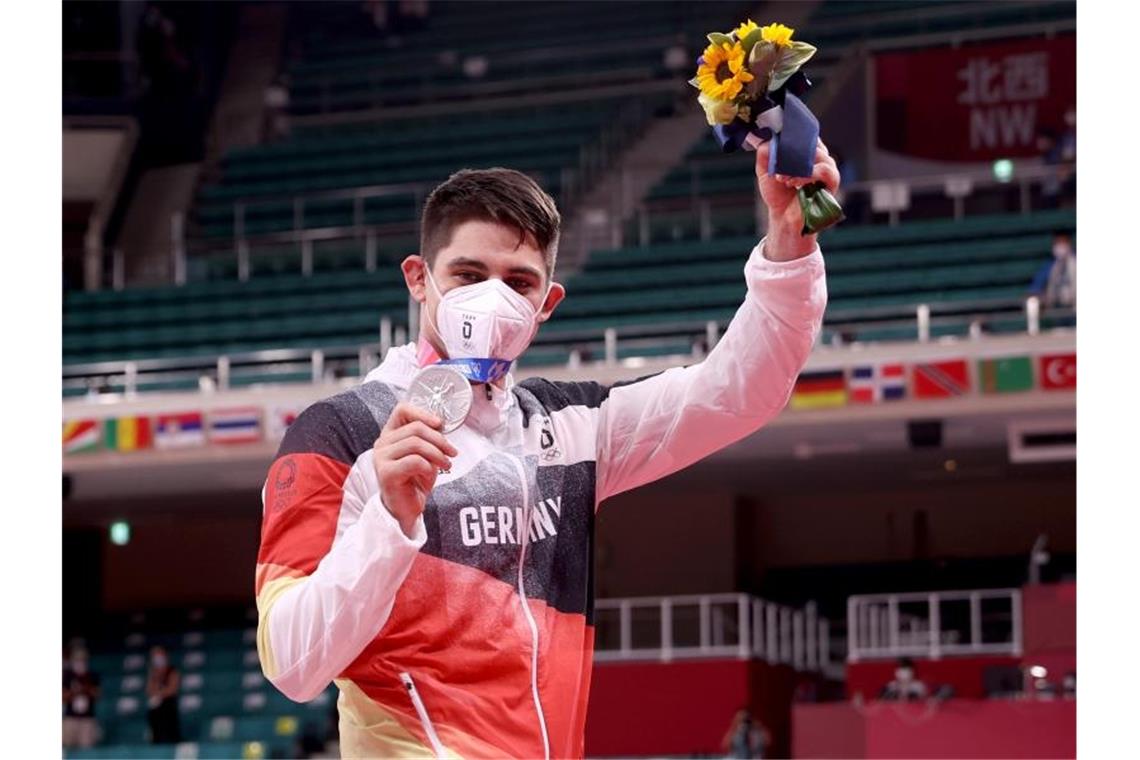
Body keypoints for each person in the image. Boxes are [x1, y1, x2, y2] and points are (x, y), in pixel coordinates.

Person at [254, 140, 837, 757]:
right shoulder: (337, 434)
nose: (493, 299)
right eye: (469, 275)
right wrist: (389, 519)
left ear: (546, 304)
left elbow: (739, 391)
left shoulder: (572, 424)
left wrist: (789, 243)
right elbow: (291, 663)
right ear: (419, 279)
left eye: (519, 282)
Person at [62, 649, 101, 749]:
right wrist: (74, 692)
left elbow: (97, 695)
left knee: (86, 748)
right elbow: (63, 697)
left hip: (87, 718)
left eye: (83, 660)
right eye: (77, 660)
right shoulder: (67, 676)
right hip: (70, 717)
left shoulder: (93, 675)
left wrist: (84, 689)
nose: (80, 662)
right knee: (67, 746)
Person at [1029, 232, 1076, 308]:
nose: (1060, 246)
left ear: (1069, 244)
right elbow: (1035, 288)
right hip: (1056, 308)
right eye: (1057, 243)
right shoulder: (1049, 265)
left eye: (1063, 243)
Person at [145, 646, 182, 744]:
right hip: (156, 707)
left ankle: (173, 740)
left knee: (167, 710)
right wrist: (156, 676)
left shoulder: (173, 671)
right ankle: (156, 740)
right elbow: (149, 690)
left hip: (169, 704)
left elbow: (172, 689)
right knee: (153, 709)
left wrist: (159, 693)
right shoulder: (153, 672)